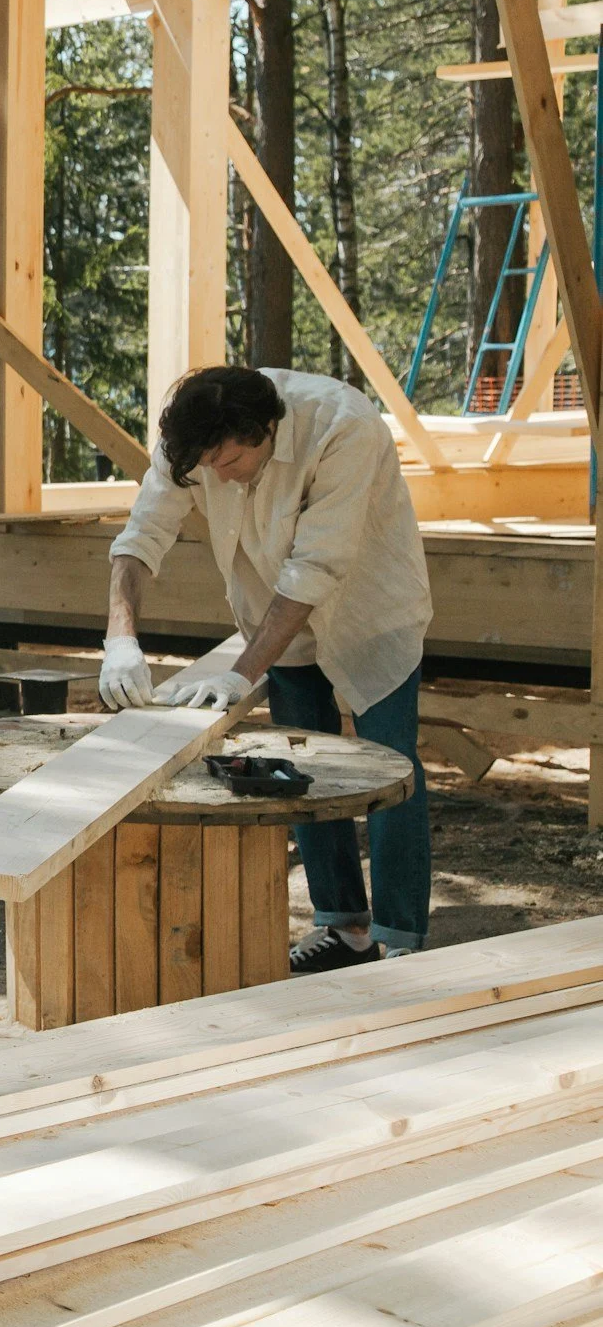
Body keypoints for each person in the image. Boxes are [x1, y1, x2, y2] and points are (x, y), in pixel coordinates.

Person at [99, 365, 434, 973]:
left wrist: (241, 672)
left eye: (228, 464)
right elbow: (142, 535)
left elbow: (316, 568)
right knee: (296, 774)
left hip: (368, 613)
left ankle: (402, 939)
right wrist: (120, 636)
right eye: (206, 467)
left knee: (391, 772)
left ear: (268, 431)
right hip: (275, 621)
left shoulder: (343, 426)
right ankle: (345, 929)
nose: (216, 477)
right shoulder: (193, 438)